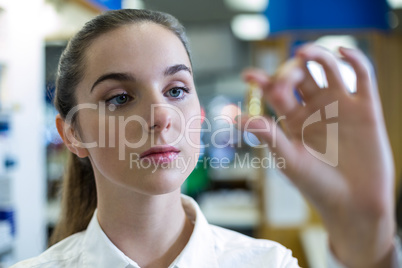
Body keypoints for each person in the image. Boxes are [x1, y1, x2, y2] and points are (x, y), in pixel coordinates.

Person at [11, 8, 399, 268]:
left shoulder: (267, 264)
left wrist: (367, 244)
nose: (161, 115)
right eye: (120, 98)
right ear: (72, 134)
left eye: (176, 90)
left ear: (197, 114)